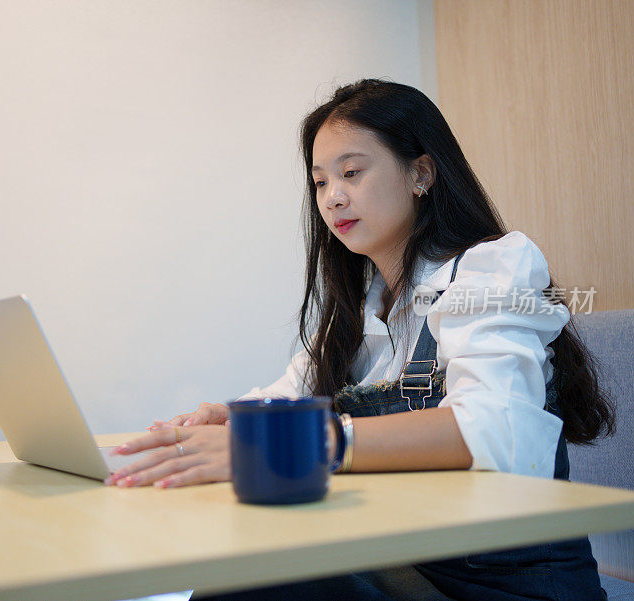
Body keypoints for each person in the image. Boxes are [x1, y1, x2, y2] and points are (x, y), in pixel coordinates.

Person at [103, 79, 615, 600]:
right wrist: (231, 419)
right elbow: (289, 394)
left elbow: (496, 430)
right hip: (404, 570)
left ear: (420, 172)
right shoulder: (360, 308)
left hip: (510, 588)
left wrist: (313, 443)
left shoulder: (491, 271)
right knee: (246, 570)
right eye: (320, 182)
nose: (333, 198)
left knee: (256, 582)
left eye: (351, 173)